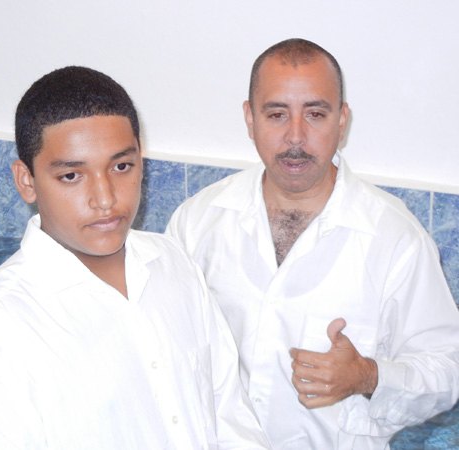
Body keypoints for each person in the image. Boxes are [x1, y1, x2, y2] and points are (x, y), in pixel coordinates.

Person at [0, 66, 269, 449]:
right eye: (71, 176)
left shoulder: (172, 263)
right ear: (26, 181)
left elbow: (229, 414)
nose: (106, 198)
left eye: (121, 166)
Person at [166, 38, 459, 449]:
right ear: (250, 119)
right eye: (276, 114)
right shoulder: (197, 223)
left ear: (342, 121)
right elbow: (162, 349)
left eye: (316, 114)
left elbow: (448, 369)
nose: (296, 137)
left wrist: (369, 376)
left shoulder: (395, 238)